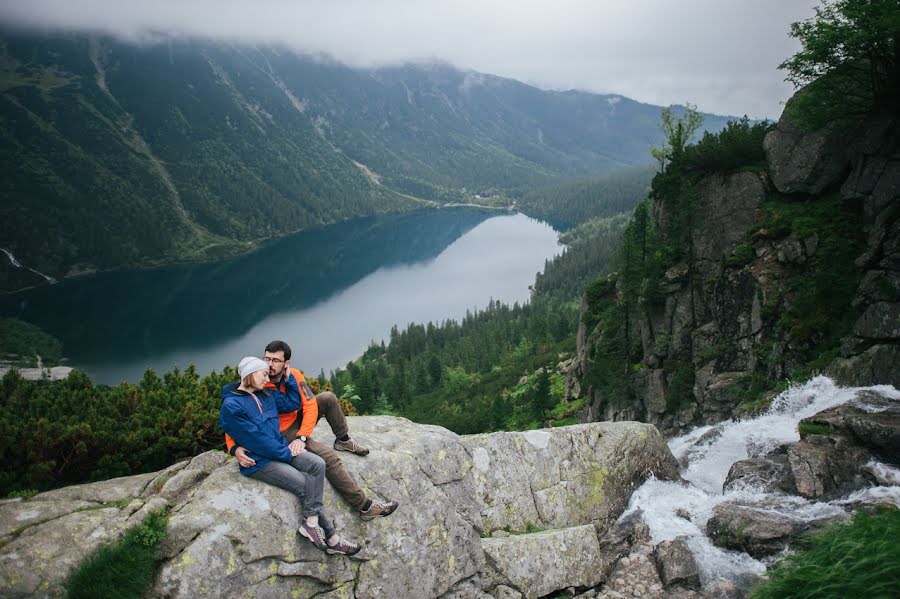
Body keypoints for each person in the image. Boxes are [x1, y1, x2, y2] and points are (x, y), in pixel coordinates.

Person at [226, 340, 398, 520]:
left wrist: (302, 436)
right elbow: (234, 419)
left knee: (327, 398)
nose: (269, 365)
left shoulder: (294, 376)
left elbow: (309, 404)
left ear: (286, 363)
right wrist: (234, 448)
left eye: (276, 360)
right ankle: (364, 506)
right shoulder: (258, 381)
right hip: (281, 432)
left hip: (296, 424)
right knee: (328, 458)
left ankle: (343, 440)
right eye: (267, 359)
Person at [220, 356, 361, 555]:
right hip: (258, 461)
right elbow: (256, 439)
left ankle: (310, 524)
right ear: (250, 374)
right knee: (306, 486)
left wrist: (288, 378)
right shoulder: (232, 406)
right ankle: (332, 537)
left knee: (317, 464)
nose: (267, 378)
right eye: (263, 374)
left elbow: (293, 402)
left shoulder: (265, 394)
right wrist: (285, 454)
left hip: (279, 450)